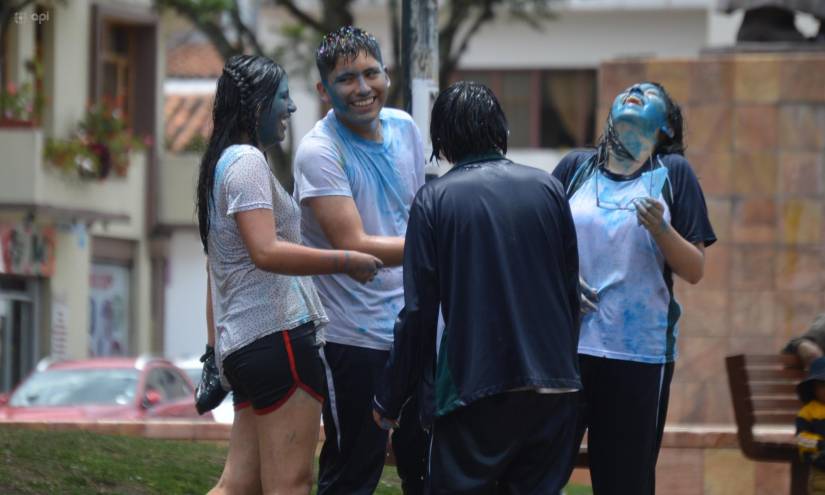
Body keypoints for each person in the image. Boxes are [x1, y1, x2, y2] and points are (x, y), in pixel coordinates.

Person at [373, 81, 583, 494]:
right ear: (499, 129)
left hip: (474, 390)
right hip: (554, 387)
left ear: (443, 139)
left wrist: (389, 398)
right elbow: (569, 293)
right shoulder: (548, 189)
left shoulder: (434, 201)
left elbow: (418, 312)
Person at [195, 54, 382, 494]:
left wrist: (214, 348)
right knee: (291, 483)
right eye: (283, 97)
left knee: (240, 484)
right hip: (276, 339)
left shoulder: (223, 162)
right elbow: (266, 251)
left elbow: (214, 270)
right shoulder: (246, 163)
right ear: (258, 103)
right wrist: (345, 259)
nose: (291, 108)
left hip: (244, 346)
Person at [552, 81, 716, 494]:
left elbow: (694, 268)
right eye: (629, 89)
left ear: (666, 131)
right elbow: (539, 244)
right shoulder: (575, 168)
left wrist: (662, 230)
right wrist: (564, 280)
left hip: (638, 355)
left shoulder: (673, 173)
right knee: (541, 471)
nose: (636, 90)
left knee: (624, 481)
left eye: (649, 93)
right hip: (564, 349)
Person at [292, 26, 428, 495]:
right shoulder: (319, 150)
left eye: (372, 73)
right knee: (354, 471)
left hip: (412, 325)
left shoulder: (406, 128)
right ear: (323, 90)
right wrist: (442, 243)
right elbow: (355, 242)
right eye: (347, 78)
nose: (364, 88)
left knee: (426, 465)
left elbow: (415, 211)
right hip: (351, 337)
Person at [796, 356, 825, 494]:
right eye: (822, 385)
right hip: (821, 468)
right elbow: (801, 439)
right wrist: (820, 444)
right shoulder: (808, 412)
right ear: (813, 388)